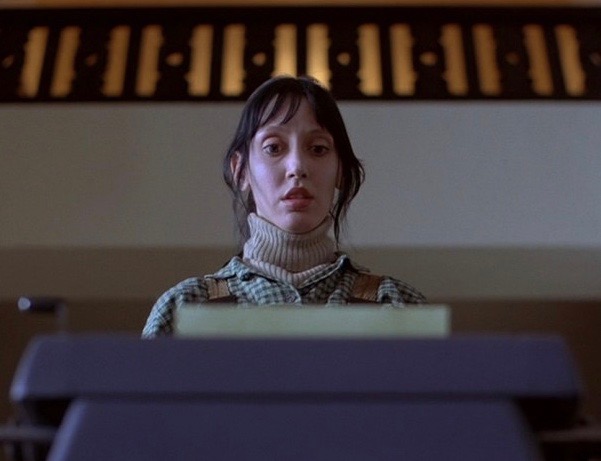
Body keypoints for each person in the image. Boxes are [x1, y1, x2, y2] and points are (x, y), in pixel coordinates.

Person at [142, 75, 426, 337]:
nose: (297, 167)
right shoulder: (185, 307)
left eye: (318, 149)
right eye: (274, 148)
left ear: (340, 169)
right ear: (240, 170)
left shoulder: (397, 304)